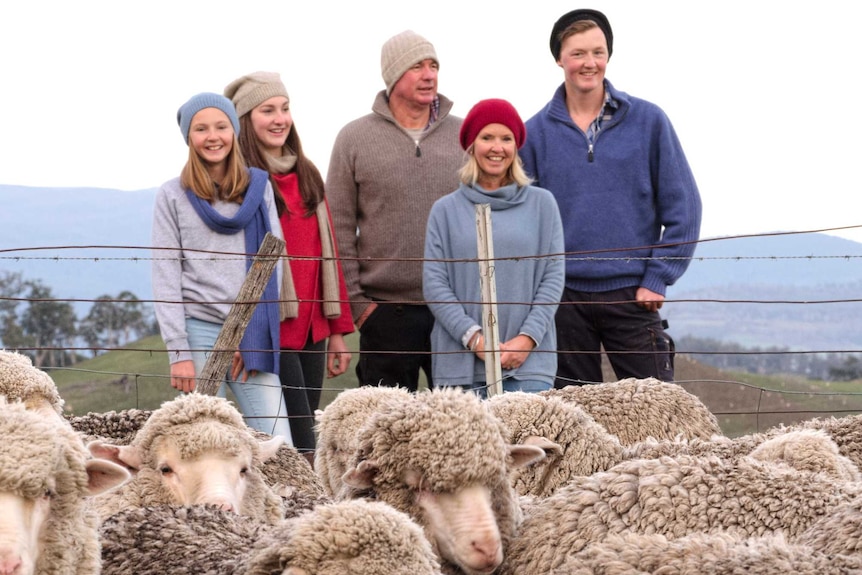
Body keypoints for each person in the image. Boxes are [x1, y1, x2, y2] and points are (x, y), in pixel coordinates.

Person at [520, 8, 703, 387]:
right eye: (578, 54)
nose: (590, 63)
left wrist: (659, 276)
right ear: (559, 58)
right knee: (572, 419)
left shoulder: (649, 122)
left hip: (635, 295)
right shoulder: (533, 134)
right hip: (562, 299)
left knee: (657, 415)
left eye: (598, 52)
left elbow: (685, 207)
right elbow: (524, 222)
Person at [224, 71, 354, 459]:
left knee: (307, 429)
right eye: (268, 110)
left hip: (312, 327)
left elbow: (327, 255)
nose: (280, 118)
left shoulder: (306, 173)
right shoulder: (241, 181)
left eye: (284, 108)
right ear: (247, 119)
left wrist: (336, 331)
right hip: (271, 331)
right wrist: (239, 334)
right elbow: (233, 266)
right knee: (295, 441)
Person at [326, 30, 463, 392]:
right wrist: (358, 306)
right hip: (385, 313)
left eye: (433, 65)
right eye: (417, 66)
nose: (429, 74)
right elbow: (338, 226)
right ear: (393, 75)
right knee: (385, 433)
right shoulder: (353, 138)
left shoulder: (465, 135)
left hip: (457, 311)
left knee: (458, 431)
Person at [151, 92, 293, 441]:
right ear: (189, 137)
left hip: (249, 329)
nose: (212, 136)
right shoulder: (172, 195)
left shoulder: (259, 189)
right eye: (201, 129)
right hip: (198, 330)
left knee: (278, 442)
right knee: (206, 442)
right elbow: (165, 274)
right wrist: (179, 352)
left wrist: (250, 334)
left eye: (221, 126)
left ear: (234, 131)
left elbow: (272, 262)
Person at [423, 98, 565, 397]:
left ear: (516, 146)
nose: (497, 147)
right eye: (487, 137)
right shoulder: (444, 210)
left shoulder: (543, 205)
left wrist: (527, 339)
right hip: (458, 369)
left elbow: (553, 278)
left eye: (506, 138)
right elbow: (435, 285)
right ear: (471, 146)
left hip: (529, 365)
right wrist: (475, 339)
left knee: (530, 443)